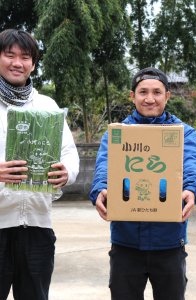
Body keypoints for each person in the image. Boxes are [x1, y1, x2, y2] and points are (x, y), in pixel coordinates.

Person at [90, 67, 196, 300]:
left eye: (157, 92)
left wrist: (191, 190)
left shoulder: (184, 133)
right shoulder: (117, 134)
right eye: (143, 92)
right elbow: (105, 165)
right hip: (126, 240)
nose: (150, 99)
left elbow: (192, 164)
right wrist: (100, 188)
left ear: (167, 96)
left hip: (170, 240)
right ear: (132, 96)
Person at [0, 29, 79, 299]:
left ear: (33, 63)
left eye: (25, 57)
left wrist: (66, 173)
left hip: (37, 228)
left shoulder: (47, 105)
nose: (17, 63)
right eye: (9, 55)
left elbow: (69, 151)